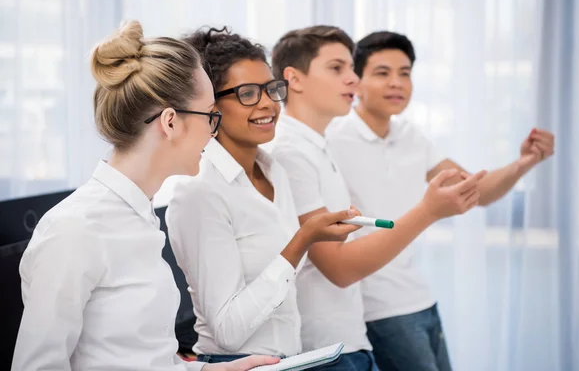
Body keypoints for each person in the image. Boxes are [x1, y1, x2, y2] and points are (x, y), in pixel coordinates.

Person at [11, 20, 279, 371]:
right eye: (210, 115)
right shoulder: (76, 229)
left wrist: (208, 369)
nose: (213, 132)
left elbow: (141, 360)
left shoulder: (139, 216)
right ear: (169, 122)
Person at [326, 31, 556, 371]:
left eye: (405, 73)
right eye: (383, 72)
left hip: (421, 299)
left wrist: (524, 163)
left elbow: (479, 191)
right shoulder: (333, 139)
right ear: (356, 82)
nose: (397, 83)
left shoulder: (411, 136)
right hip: (377, 308)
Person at [267, 25, 487, 371]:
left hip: (350, 336)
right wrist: (428, 211)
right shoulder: (291, 153)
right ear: (294, 79)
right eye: (337, 68)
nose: (352, 80)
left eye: (351, 69)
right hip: (325, 344)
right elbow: (337, 267)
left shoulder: (318, 146)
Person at [166, 27, 362, 364]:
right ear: (209, 104)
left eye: (271, 89)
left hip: (290, 360)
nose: (269, 103)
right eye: (247, 93)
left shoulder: (275, 172)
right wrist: (302, 240)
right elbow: (228, 331)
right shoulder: (200, 192)